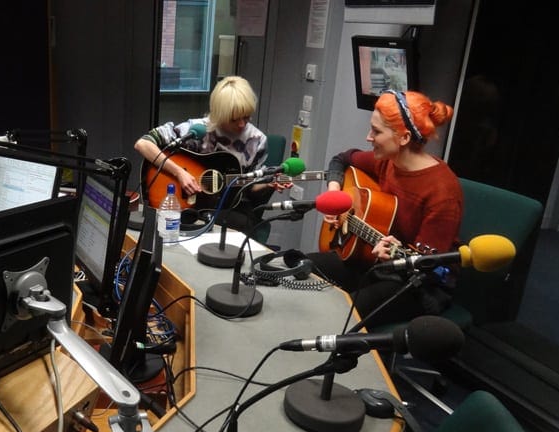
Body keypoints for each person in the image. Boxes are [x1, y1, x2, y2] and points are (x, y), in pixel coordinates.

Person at [308, 90, 462, 329]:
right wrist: (335, 193)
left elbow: (428, 267)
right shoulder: (387, 162)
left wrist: (393, 257)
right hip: (375, 263)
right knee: (298, 266)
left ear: (404, 137)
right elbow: (341, 159)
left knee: (341, 315)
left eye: (376, 131)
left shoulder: (443, 193)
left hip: (419, 286)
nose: (368, 137)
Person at [134, 75, 284, 234]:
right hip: (188, 205)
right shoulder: (197, 129)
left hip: (229, 210)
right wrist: (179, 173)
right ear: (219, 114)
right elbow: (143, 144)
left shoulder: (257, 141)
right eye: (234, 119)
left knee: (240, 223)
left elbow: (251, 187)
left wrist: (268, 184)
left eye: (246, 117)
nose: (241, 124)